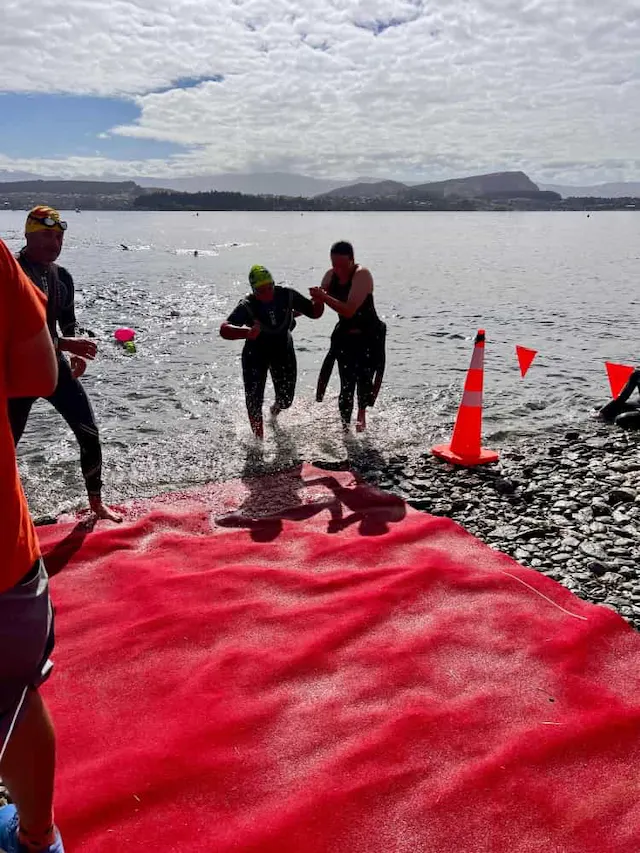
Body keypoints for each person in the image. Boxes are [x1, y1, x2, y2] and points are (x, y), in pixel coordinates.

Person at [0, 238, 65, 852]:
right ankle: (38, 838)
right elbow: (37, 373)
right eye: (48, 228)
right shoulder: (6, 264)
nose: (56, 238)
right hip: (3, 562)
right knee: (14, 694)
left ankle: (37, 835)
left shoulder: (53, 275)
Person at [8, 206, 120, 522]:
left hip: (53, 367)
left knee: (89, 432)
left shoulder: (63, 277)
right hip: (17, 373)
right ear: (28, 234)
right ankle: (10, 514)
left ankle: (96, 504)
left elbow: (69, 323)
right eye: (47, 235)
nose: (55, 243)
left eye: (59, 237)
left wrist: (74, 351)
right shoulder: (11, 274)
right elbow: (13, 333)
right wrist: (65, 344)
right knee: (7, 448)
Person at [220, 265, 323, 440]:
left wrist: (320, 299)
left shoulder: (287, 295)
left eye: (270, 288)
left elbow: (314, 312)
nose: (267, 293)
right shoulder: (247, 304)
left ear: (274, 284)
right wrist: (246, 333)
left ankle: (275, 410)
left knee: (286, 400)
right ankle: (258, 441)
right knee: (254, 401)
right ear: (253, 290)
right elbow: (224, 329)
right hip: (255, 354)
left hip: (283, 350)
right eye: (261, 290)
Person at [310, 241, 386, 432]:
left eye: (343, 266)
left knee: (364, 380)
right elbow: (316, 310)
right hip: (345, 336)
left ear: (352, 261)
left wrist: (325, 297)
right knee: (346, 384)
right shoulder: (330, 275)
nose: (339, 270)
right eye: (334, 265)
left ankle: (361, 415)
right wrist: (315, 300)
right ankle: (345, 429)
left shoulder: (362, 275)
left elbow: (349, 310)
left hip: (369, 335)